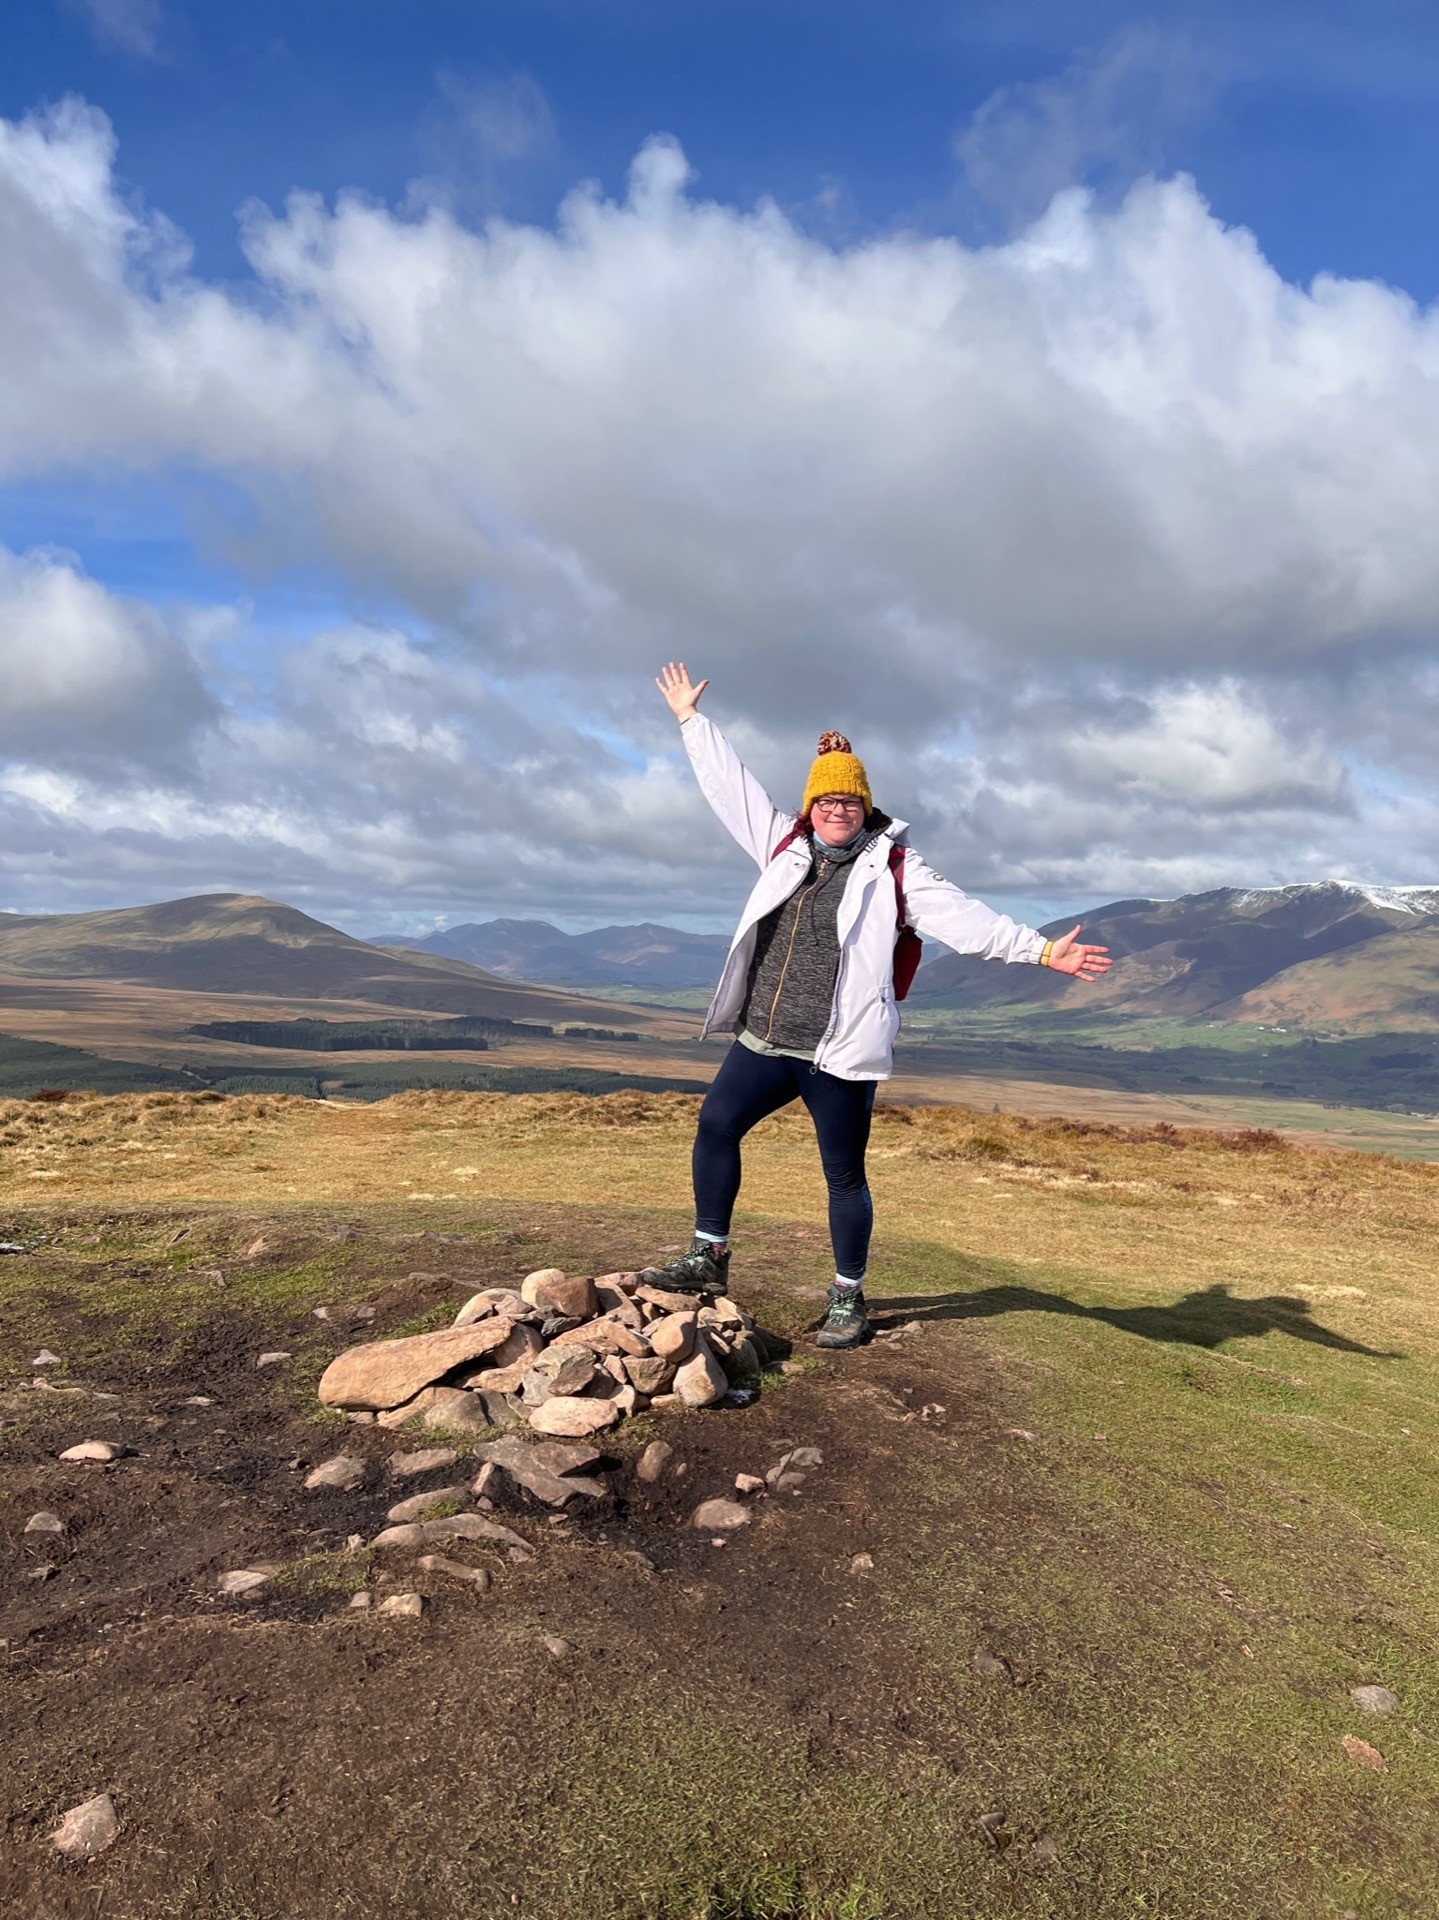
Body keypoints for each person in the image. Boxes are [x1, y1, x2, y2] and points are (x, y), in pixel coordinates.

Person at [643, 662, 1113, 1349]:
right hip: (764, 1042)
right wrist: (691, 721)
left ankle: (847, 1297)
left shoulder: (897, 869)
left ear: (867, 810)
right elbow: (728, 787)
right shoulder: (780, 843)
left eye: (850, 804)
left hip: (837, 1054)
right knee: (715, 1124)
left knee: (841, 1174)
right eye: (827, 802)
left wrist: (1041, 951)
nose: (838, 811)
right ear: (810, 807)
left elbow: (965, 920)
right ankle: (708, 1258)